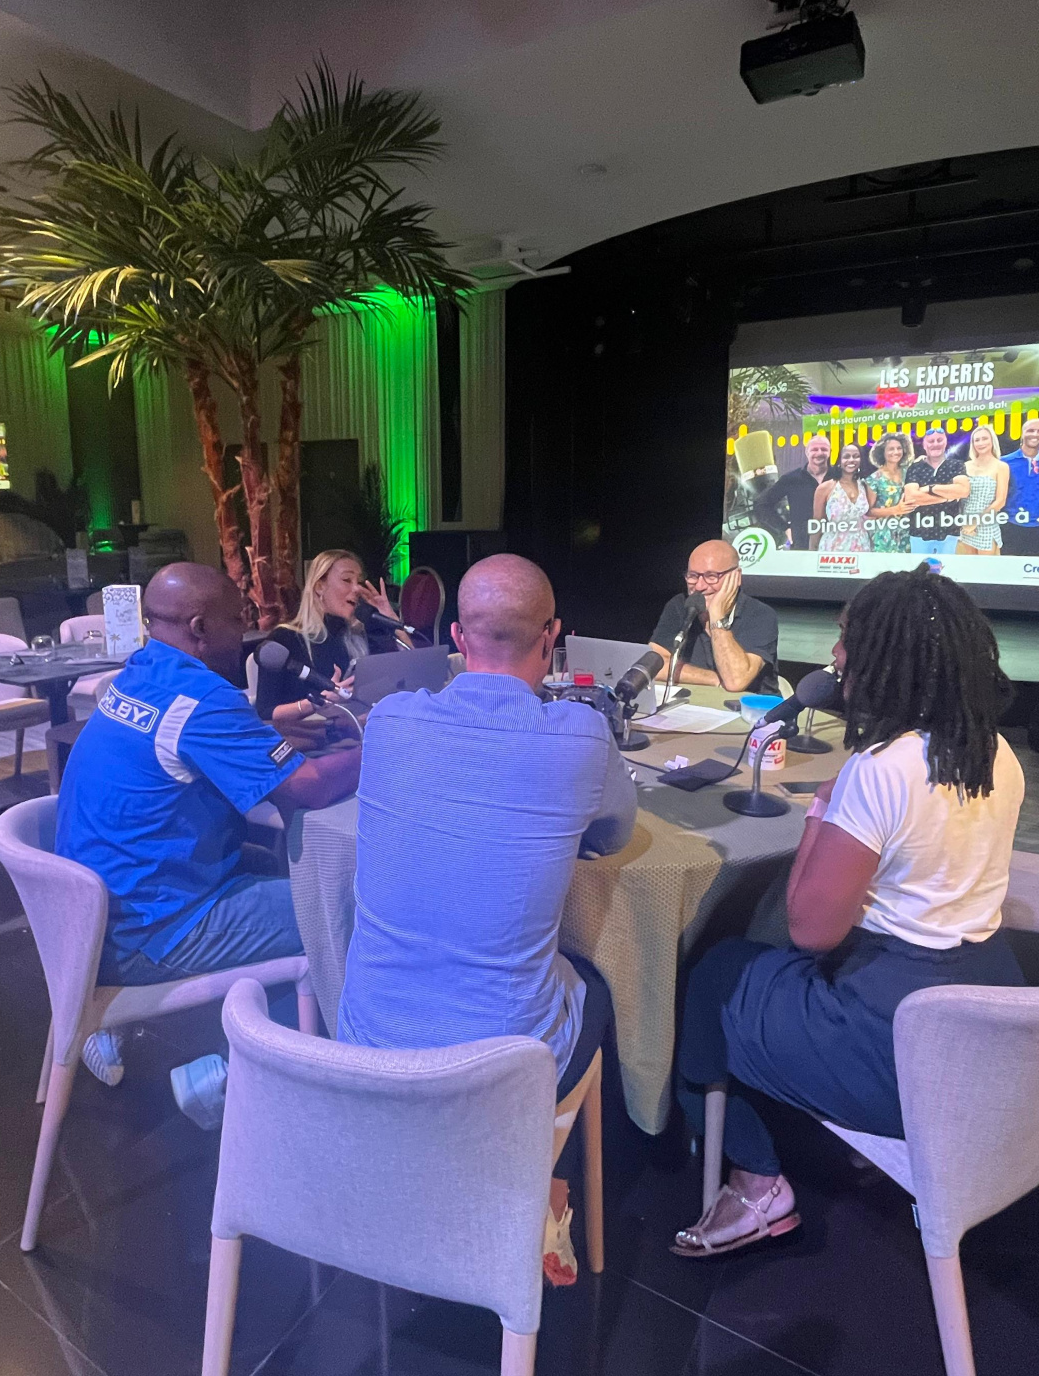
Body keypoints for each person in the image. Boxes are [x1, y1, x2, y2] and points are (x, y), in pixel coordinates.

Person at [670, 565, 1026, 1258]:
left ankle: (756, 1185)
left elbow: (810, 929)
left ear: (887, 659)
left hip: (899, 1041)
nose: (835, 656)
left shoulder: (882, 767)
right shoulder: (994, 751)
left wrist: (823, 811)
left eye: (847, 641)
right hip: (988, 1022)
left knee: (714, 975)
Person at [337, 553, 637, 1285]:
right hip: (498, 1074)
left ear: (457, 639)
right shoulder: (580, 735)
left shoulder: (390, 720)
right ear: (552, 639)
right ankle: (537, 1181)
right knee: (599, 977)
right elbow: (613, 835)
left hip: (367, 1053)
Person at [55, 562, 360, 1086]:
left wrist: (260, 735)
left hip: (94, 918)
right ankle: (227, 1082)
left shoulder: (142, 670)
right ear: (200, 627)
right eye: (237, 618)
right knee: (336, 906)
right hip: (151, 930)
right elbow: (309, 786)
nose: (247, 629)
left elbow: (188, 737)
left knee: (278, 867)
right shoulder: (203, 700)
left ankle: (263, 1036)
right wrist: (388, 742)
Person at [252, 549, 404, 718]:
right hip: (310, 731)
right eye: (347, 580)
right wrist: (317, 702)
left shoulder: (361, 636)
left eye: (359, 582)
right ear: (319, 586)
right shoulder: (284, 639)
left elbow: (409, 676)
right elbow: (265, 712)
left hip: (357, 728)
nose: (357, 588)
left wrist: (391, 619)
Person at [648, 539, 779, 693]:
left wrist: (716, 616)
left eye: (711, 576)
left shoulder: (760, 614)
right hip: (697, 702)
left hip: (750, 706)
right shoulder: (679, 605)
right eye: (693, 576)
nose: (699, 586)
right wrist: (713, 679)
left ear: (736, 576)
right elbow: (652, 665)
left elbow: (735, 681)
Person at [753, 432, 832, 550]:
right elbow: (762, 504)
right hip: (803, 548)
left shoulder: (841, 477)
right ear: (807, 452)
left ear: (830, 452)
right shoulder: (791, 479)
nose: (819, 453)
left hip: (837, 548)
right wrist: (784, 528)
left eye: (824, 449)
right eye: (814, 449)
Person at [903, 427, 969, 556]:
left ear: (945, 442)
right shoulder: (914, 468)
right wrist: (947, 496)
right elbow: (911, 497)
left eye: (939, 440)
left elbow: (963, 490)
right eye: (931, 441)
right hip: (919, 533)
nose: (935, 444)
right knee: (920, 569)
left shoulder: (957, 465)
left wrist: (930, 488)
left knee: (947, 568)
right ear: (924, 445)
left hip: (949, 532)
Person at [1000, 416, 1039, 556]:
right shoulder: (1005, 462)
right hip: (1011, 524)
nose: (1035, 434)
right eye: (1030, 430)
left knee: (1034, 566)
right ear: (1022, 433)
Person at [954, 424, 1009, 555]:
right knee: (970, 565)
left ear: (992, 441)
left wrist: (976, 522)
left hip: (987, 523)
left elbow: (1000, 501)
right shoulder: (965, 466)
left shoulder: (1001, 466)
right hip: (966, 523)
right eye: (977, 440)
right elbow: (958, 496)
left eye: (984, 439)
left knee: (986, 566)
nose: (981, 443)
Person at [811, 442, 872, 553]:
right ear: (839, 460)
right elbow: (817, 524)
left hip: (862, 548)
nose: (851, 460)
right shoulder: (825, 488)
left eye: (856, 456)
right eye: (846, 456)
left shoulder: (865, 486)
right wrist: (812, 553)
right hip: (833, 548)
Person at [862, 435, 914, 553]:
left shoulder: (909, 472)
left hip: (907, 533)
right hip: (884, 536)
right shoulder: (874, 478)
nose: (896, 452)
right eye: (891, 449)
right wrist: (896, 510)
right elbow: (868, 511)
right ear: (882, 452)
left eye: (899, 448)